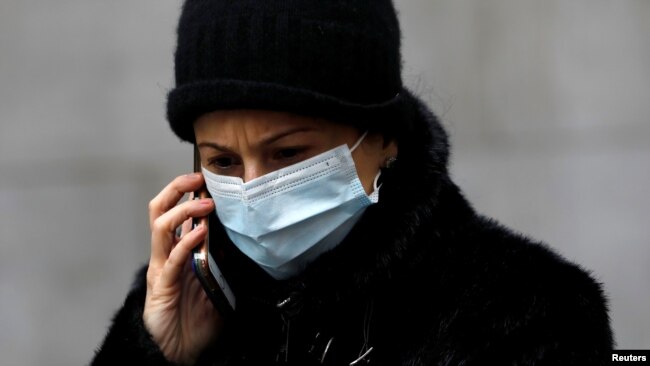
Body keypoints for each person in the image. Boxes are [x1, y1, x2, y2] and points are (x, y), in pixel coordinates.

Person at [91, 0, 614, 365]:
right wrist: (154, 351)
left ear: (384, 137)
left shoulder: (530, 311)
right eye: (223, 162)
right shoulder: (192, 295)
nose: (254, 190)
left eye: (288, 153)